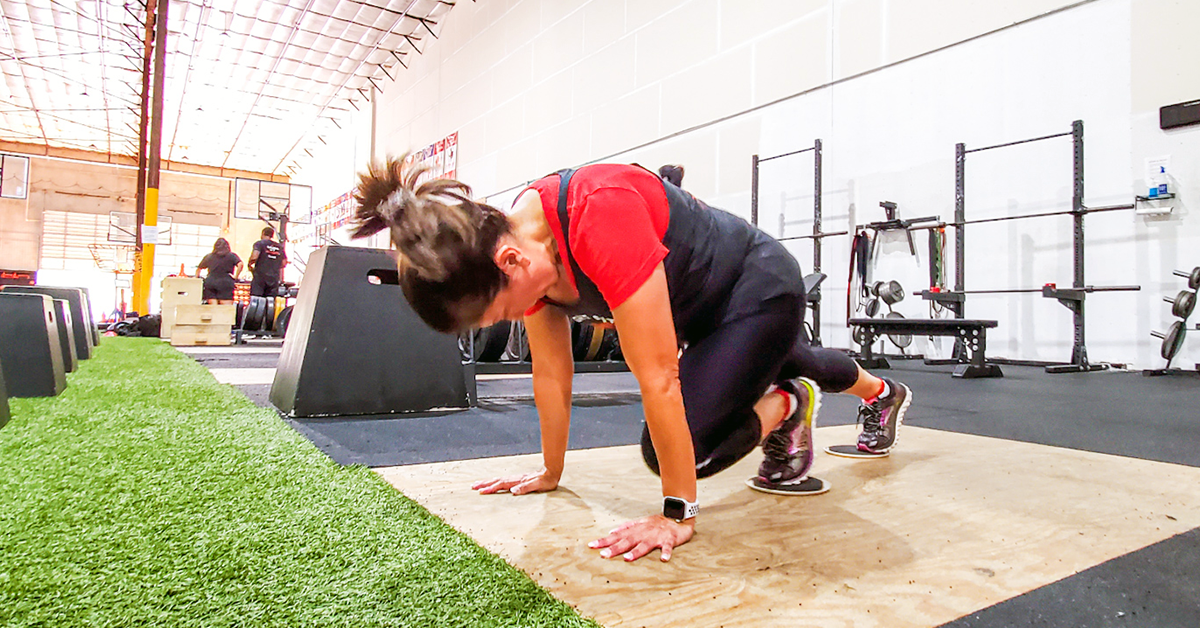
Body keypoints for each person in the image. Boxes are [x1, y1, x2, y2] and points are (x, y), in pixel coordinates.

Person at [350, 156, 911, 563]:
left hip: (756, 287)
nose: (501, 322)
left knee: (676, 451)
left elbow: (659, 378)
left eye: (494, 312)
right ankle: (881, 395)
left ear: (511, 259)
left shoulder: (598, 214)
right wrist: (550, 471)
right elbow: (549, 373)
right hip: (703, 318)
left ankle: (788, 407)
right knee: (783, 353)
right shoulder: (519, 259)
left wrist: (676, 514)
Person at [196, 238, 242, 305]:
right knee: (225, 309)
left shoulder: (209, 256)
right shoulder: (231, 256)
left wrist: (197, 278)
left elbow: (199, 269)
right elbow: (240, 264)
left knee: (213, 308)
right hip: (226, 283)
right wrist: (236, 277)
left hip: (211, 282)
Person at [248, 226, 287, 298]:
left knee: (257, 300)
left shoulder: (259, 244)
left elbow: (254, 256)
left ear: (263, 234)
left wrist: (249, 264)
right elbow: (284, 262)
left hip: (260, 278)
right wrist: (274, 265)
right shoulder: (279, 247)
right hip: (274, 279)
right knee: (270, 301)